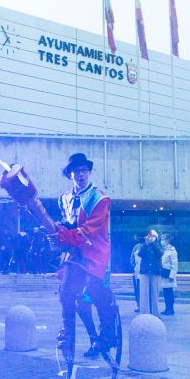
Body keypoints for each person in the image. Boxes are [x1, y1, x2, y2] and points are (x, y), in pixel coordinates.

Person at [51, 153, 118, 362]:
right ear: (70, 174)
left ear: (88, 173)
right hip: (75, 250)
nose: (81, 175)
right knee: (66, 291)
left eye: (84, 171)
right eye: (77, 171)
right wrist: (57, 230)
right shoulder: (64, 199)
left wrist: (64, 235)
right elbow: (67, 222)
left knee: (94, 288)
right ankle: (67, 330)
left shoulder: (100, 199)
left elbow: (90, 229)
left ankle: (108, 332)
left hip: (94, 250)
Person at [137, 230, 163, 316]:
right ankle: (144, 313)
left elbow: (160, 253)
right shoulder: (144, 245)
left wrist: (153, 243)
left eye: (152, 236)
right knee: (144, 293)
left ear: (156, 237)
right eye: (149, 236)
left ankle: (155, 313)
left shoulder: (158, 245)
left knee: (155, 293)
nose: (150, 238)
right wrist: (146, 244)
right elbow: (140, 254)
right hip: (144, 271)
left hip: (155, 271)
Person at [159, 233, 178, 315]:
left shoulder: (172, 251)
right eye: (161, 239)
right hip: (163, 274)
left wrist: (172, 276)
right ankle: (167, 308)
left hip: (168, 274)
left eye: (163, 239)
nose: (162, 241)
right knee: (165, 292)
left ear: (168, 240)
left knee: (169, 292)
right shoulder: (161, 249)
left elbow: (174, 265)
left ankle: (170, 309)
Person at [130, 238, 143, 312]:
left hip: (144, 272)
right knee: (138, 289)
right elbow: (132, 258)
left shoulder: (148, 245)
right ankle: (139, 305)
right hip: (138, 272)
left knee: (142, 289)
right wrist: (134, 266)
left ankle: (143, 305)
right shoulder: (136, 247)